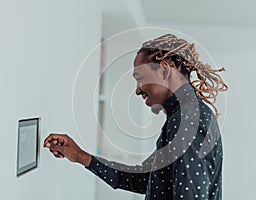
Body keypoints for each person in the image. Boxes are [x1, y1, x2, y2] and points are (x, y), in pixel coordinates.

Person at [44, 34, 228, 200]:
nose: (138, 89)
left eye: (140, 78)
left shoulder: (188, 122)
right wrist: (79, 156)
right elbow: (144, 179)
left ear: (164, 70)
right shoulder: (183, 117)